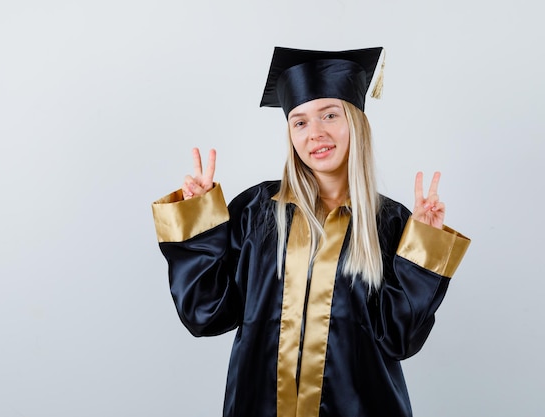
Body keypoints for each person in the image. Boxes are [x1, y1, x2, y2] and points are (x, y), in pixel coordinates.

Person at [151, 46, 471, 417]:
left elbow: (399, 339)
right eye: (300, 121)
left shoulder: (393, 223)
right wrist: (198, 222)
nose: (315, 133)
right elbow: (204, 314)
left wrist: (425, 245)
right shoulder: (257, 212)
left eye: (329, 115)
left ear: (356, 122)